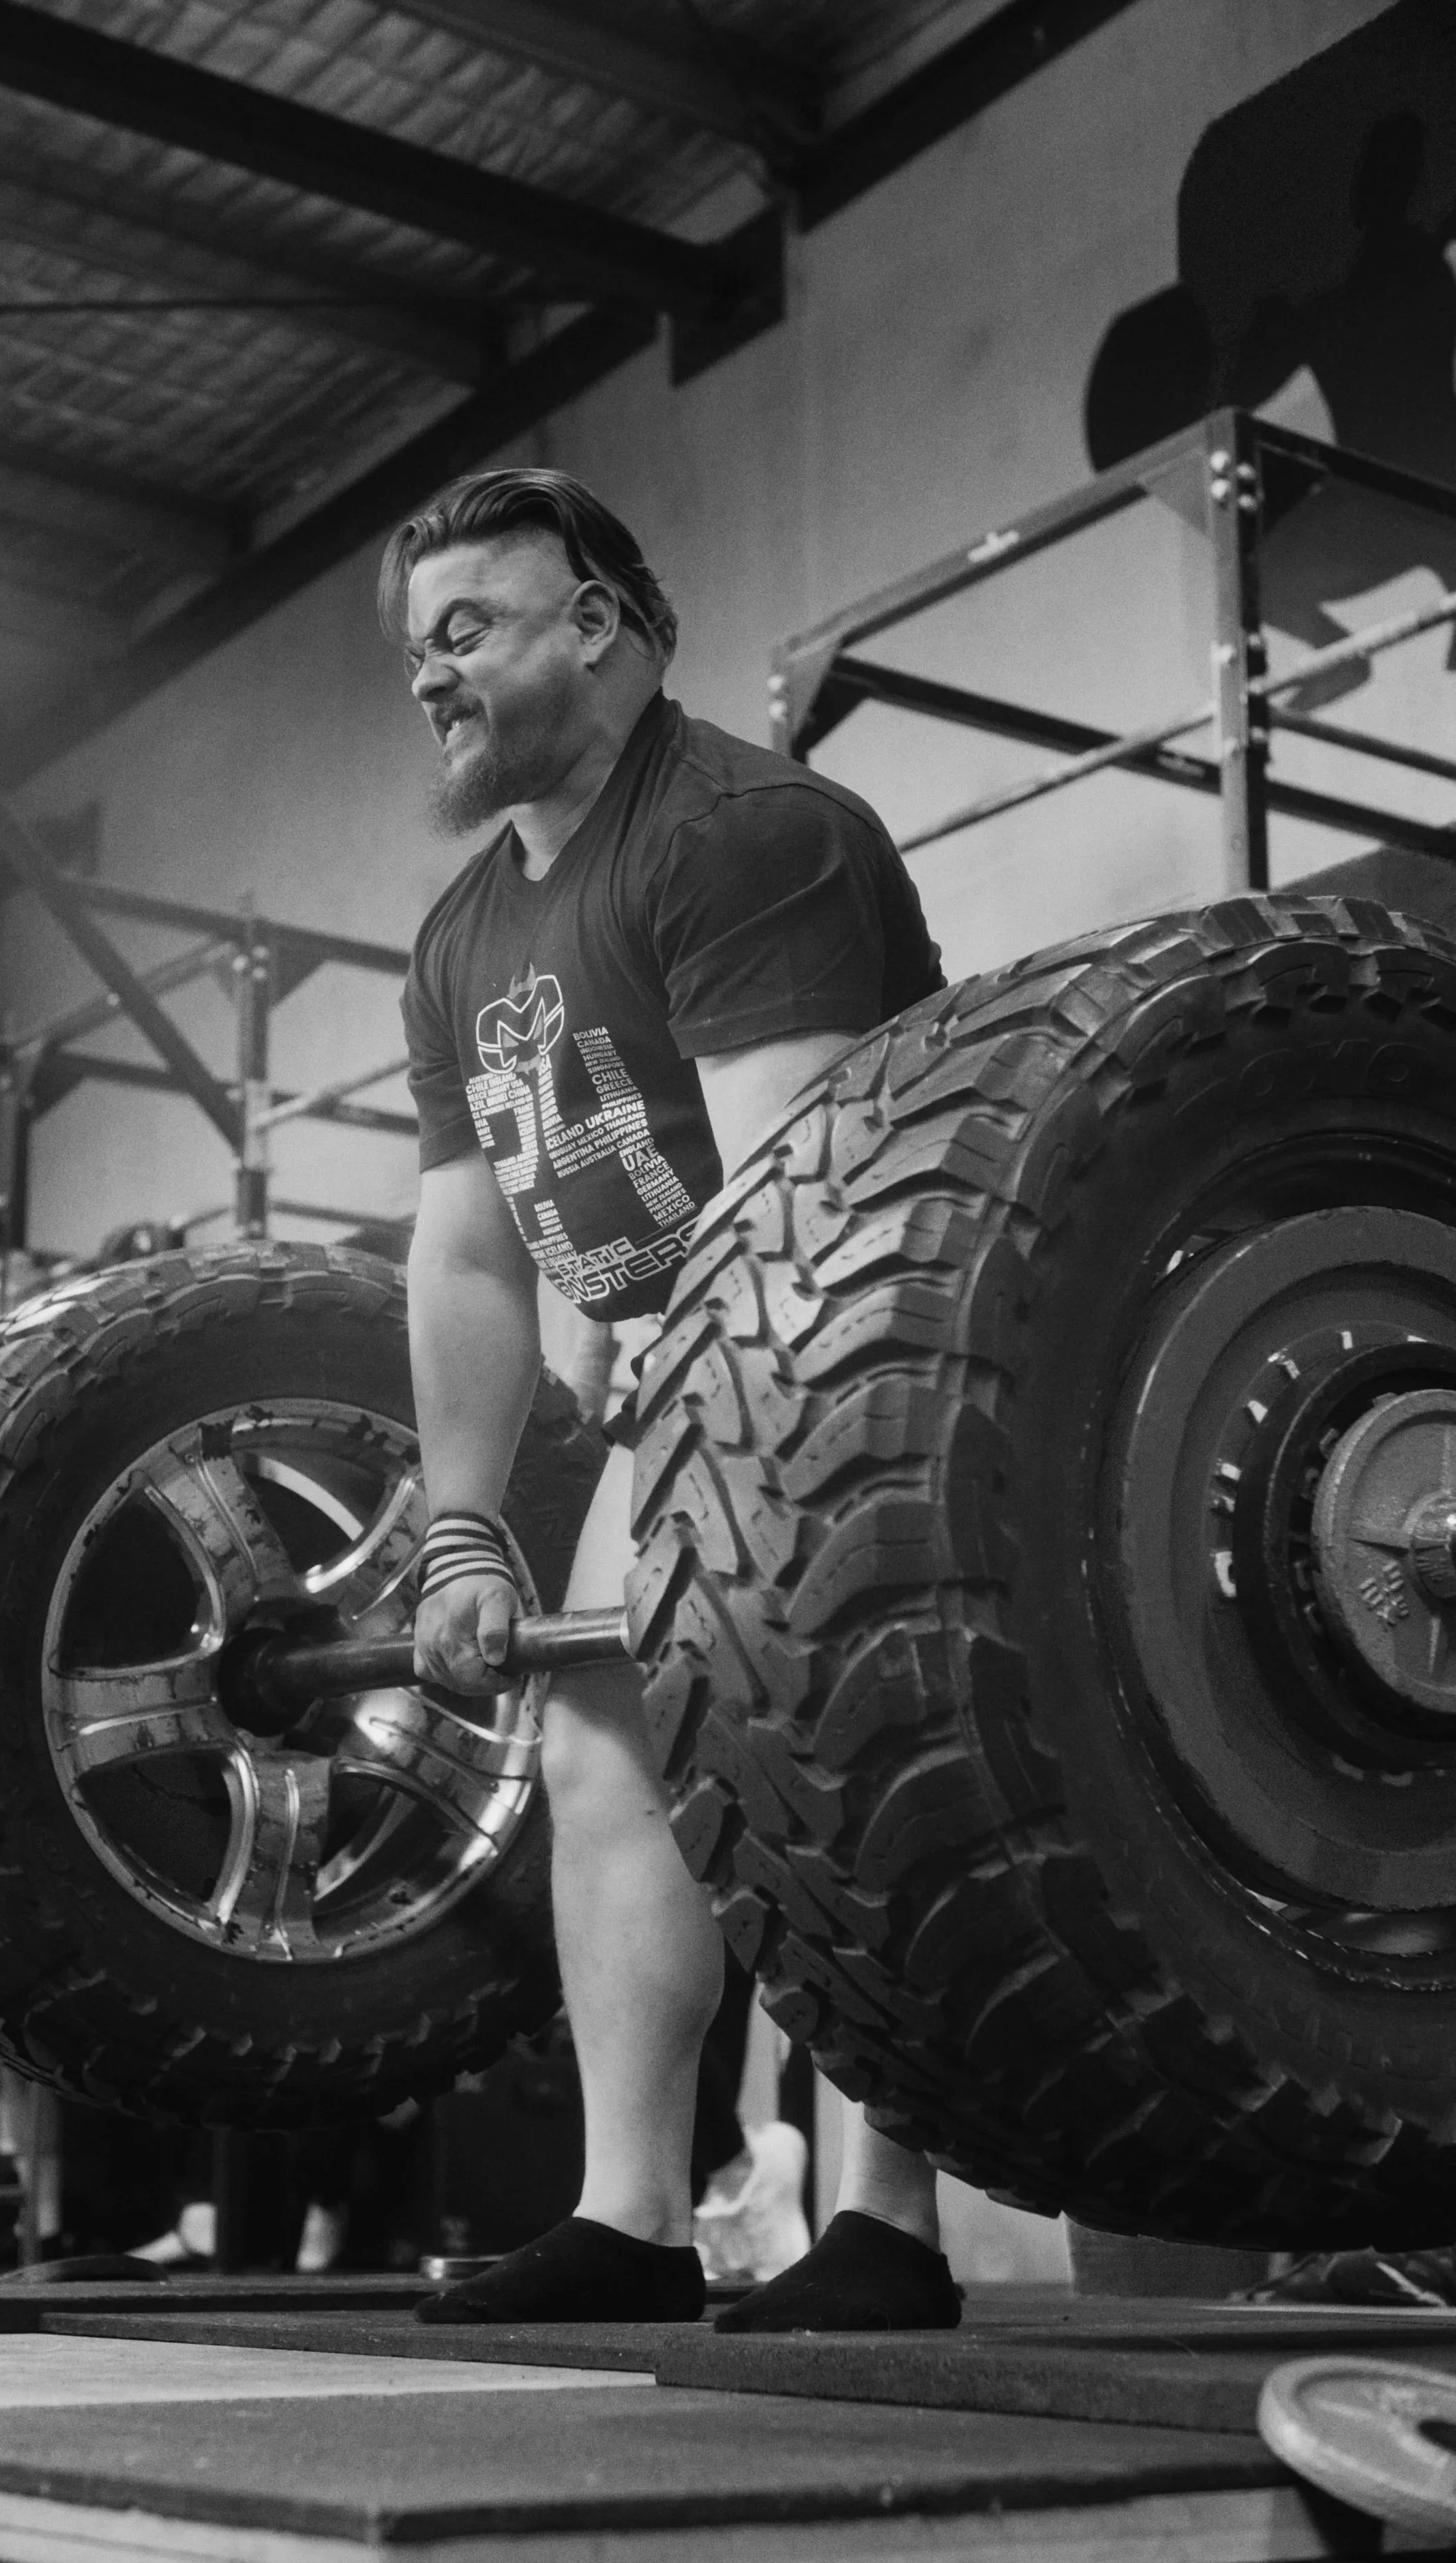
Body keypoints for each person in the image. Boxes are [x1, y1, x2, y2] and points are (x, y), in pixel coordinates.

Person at [391, 467, 960, 2331]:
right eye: (417, 648)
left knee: (852, 1746)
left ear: (599, 626)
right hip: (687, 1375)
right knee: (595, 1740)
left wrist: (669, 1386)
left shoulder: (742, 831)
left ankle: (886, 2222)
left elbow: (799, 1198)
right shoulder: (458, 936)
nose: (430, 674)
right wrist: (463, 1522)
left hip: (873, 1352)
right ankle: (630, 2217)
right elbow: (471, 1252)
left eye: (467, 627)